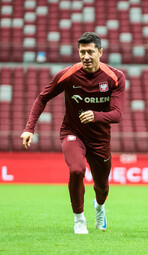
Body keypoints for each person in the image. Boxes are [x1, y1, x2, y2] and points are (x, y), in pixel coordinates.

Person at [21, 32, 125, 234]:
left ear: (100, 52)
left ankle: (99, 207)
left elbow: (118, 114)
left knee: (102, 187)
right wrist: (29, 128)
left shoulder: (115, 77)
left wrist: (96, 116)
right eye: (82, 51)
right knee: (77, 170)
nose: (86, 56)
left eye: (90, 52)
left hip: (100, 139)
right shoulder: (67, 75)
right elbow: (42, 98)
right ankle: (79, 219)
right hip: (72, 133)